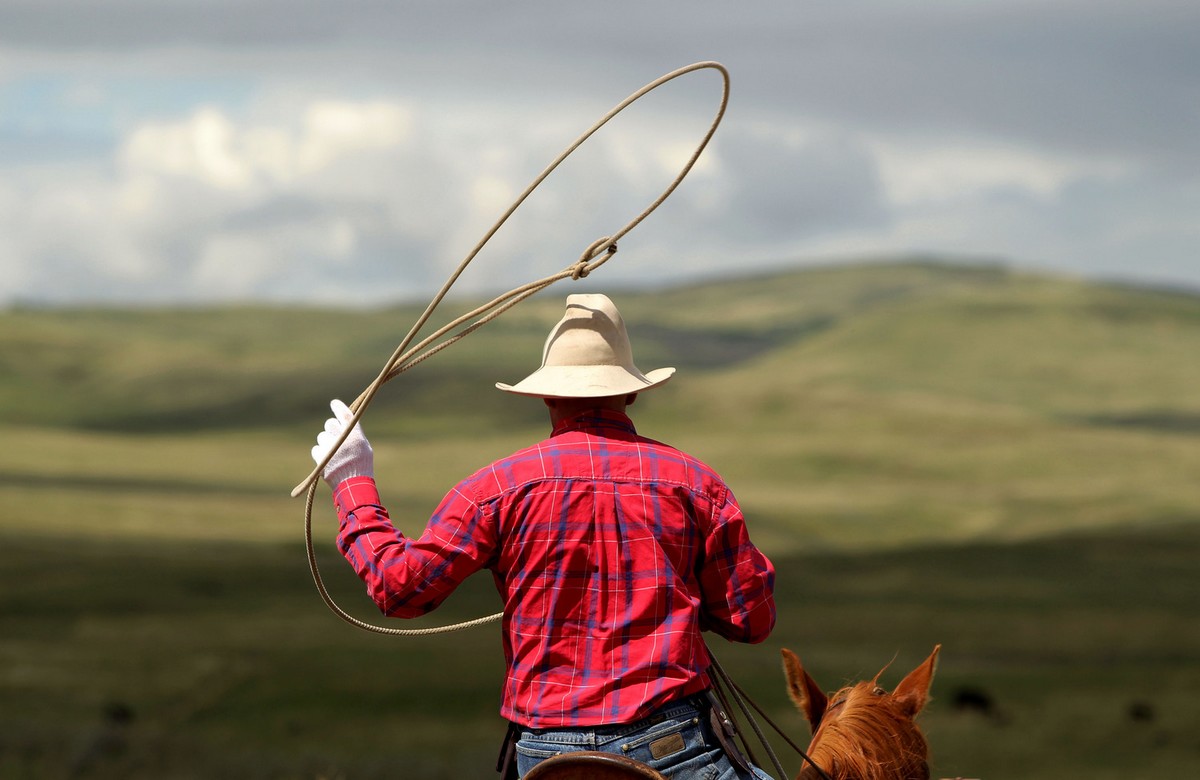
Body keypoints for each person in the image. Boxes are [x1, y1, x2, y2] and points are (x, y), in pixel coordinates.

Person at [310, 293, 777, 779]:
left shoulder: (494, 489)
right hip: (673, 744)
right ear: (633, 392)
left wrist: (351, 479)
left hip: (546, 753)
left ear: (545, 395)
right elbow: (751, 620)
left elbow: (400, 586)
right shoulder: (696, 484)